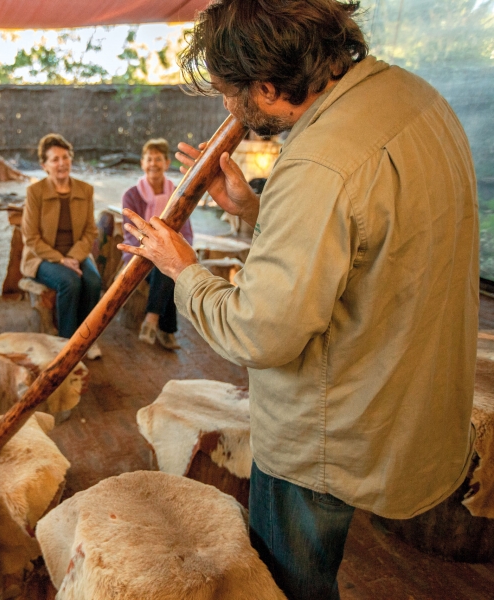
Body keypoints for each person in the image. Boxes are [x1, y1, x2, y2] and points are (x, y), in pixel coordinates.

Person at [119, 1, 478, 598]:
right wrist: (260, 210)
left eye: (228, 92)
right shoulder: (413, 95)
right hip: (410, 389)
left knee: (291, 581)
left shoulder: (317, 163)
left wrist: (183, 270)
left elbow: (259, 332)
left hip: (332, 427)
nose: (226, 108)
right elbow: (368, 239)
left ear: (266, 85)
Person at [21, 134, 101, 339]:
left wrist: (73, 258)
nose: (62, 163)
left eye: (65, 157)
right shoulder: (35, 192)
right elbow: (30, 237)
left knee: (93, 281)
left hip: (77, 254)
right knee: (70, 282)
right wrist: (61, 260)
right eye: (55, 159)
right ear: (44, 165)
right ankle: (66, 342)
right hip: (43, 256)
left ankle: (86, 338)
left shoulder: (85, 190)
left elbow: (90, 231)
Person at [121, 138, 193, 350]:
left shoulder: (177, 194)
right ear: (142, 163)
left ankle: (152, 319)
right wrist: (155, 249)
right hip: (139, 251)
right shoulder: (131, 195)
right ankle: (167, 329)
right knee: (166, 265)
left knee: (169, 263)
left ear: (167, 163)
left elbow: (186, 231)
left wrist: (176, 248)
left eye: (158, 159)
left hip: (170, 250)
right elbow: (131, 232)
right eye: (149, 159)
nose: (153, 163)